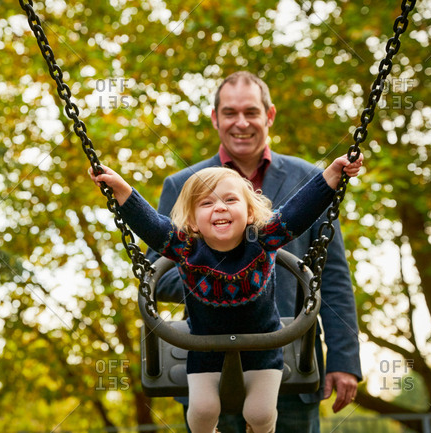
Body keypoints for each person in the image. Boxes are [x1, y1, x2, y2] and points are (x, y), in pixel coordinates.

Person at [150, 71, 363, 432]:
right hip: (209, 362)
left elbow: (333, 276)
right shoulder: (184, 185)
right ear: (216, 118)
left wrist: (345, 358)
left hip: (291, 355)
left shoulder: (309, 181)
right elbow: (159, 274)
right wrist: (221, 276)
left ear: (269, 115)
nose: (241, 123)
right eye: (230, 113)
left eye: (251, 111)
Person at [89, 153, 363, 433]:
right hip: (205, 346)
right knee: (202, 411)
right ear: (193, 221)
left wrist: (331, 175)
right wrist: (122, 190)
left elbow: (299, 210)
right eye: (206, 203)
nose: (219, 207)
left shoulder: (265, 238)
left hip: (264, 343)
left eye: (230, 200)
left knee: (260, 413)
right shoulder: (185, 248)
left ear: (250, 212)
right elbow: (151, 225)